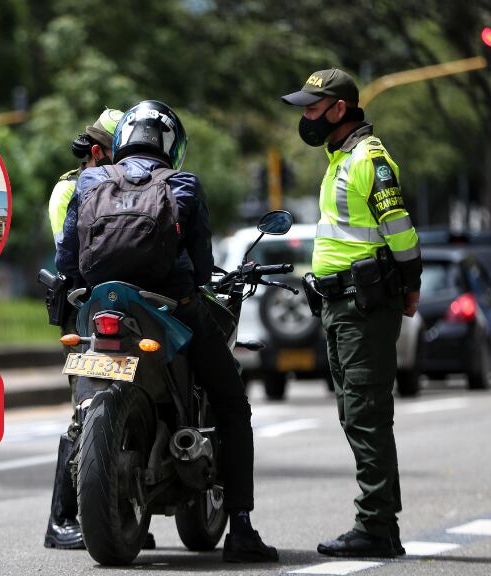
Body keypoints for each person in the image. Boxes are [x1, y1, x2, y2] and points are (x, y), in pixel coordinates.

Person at [56, 100, 279, 563]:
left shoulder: (91, 180)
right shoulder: (183, 184)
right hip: (170, 307)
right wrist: (189, 286)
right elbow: (200, 267)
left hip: (100, 303)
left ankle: (68, 511)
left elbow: (67, 257)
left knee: (80, 401)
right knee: (232, 401)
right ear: (172, 145)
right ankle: (240, 527)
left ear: (120, 142)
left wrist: (79, 291)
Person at [281, 68, 421, 557]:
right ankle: (378, 522)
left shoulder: (369, 159)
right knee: (353, 413)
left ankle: (378, 526)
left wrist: (410, 284)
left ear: (340, 109)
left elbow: (400, 230)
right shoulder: (337, 157)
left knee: (366, 414)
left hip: (364, 307)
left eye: (313, 108)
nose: (306, 116)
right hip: (341, 306)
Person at [44, 108, 135, 550]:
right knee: (87, 407)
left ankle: (120, 511)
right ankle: (62, 518)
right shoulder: (70, 188)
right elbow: (75, 253)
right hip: (85, 310)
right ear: (98, 152)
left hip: (129, 305)